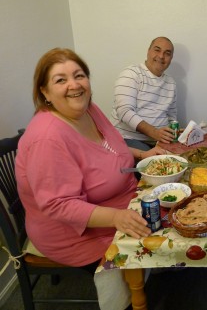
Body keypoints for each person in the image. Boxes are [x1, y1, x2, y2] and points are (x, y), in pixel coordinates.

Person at [15, 48, 167, 309]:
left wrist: (145, 154)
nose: (74, 85)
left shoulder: (88, 109)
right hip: (74, 232)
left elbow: (111, 148)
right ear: (44, 91)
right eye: (60, 80)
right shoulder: (48, 138)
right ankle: (133, 293)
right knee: (157, 229)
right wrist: (117, 217)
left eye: (79, 75)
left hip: (119, 201)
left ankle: (153, 271)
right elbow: (58, 205)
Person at [111, 36, 177, 151]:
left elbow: (172, 116)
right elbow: (124, 112)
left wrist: (172, 134)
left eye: (167, 53)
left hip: (159, 141)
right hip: (128, 139)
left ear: (171, 58)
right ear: (148, 51)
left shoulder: (171, 83)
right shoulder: (131, 73)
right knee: (159, 165)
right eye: (157, 50)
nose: (161, 56)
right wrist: (155, 133)